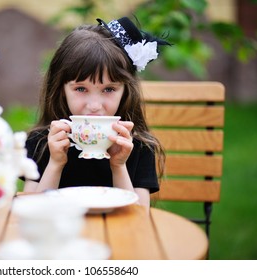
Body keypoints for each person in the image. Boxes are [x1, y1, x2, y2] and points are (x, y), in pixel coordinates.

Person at [22, 16, 170, 211]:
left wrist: (119, 166)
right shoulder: (43, 143)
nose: (94, 105)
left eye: (108, 89)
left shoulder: (137, 147)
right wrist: (55, 163)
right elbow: (31, 212)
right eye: (81, 89)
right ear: (60, 89)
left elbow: (139, 216)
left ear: (125, 90)